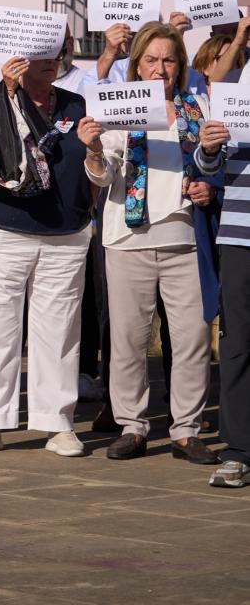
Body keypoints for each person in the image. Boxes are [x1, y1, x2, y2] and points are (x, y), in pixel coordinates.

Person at [82, 23, 220, 465]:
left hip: (185, 239)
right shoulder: (119, 108)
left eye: (169, 60)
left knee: (192, 339)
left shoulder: (198, 107)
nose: (160, 68)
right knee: (128, 340)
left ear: (180, 65)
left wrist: (208, 187)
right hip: (128, 239)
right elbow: (104, 174)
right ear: (137, 64)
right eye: (151, 60)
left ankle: (186, 431)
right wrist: (94, 149)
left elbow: (214, 167)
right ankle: (132, 427)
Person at [0, 47, 97, 457]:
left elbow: (92, 162)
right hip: (2, 229)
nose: (51, 60)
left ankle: (57, 423)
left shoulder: (78, 103)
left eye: (58, 51)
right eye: (41, 52)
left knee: (59, 333)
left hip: (65, 233)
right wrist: (6, 89)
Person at [195, 108, 250, 487]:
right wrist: (209, 149)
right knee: (237, 343)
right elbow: (209, 169)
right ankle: (240, 451)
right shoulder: (237, 92)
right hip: (239, 234)